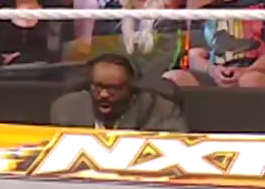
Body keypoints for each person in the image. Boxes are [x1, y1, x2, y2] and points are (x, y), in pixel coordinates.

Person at [49, 54, 186, 132]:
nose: (104, 94)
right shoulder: (66, 110)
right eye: (98, 87)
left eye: (113, 88)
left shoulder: (162, 112)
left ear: (131, 88)